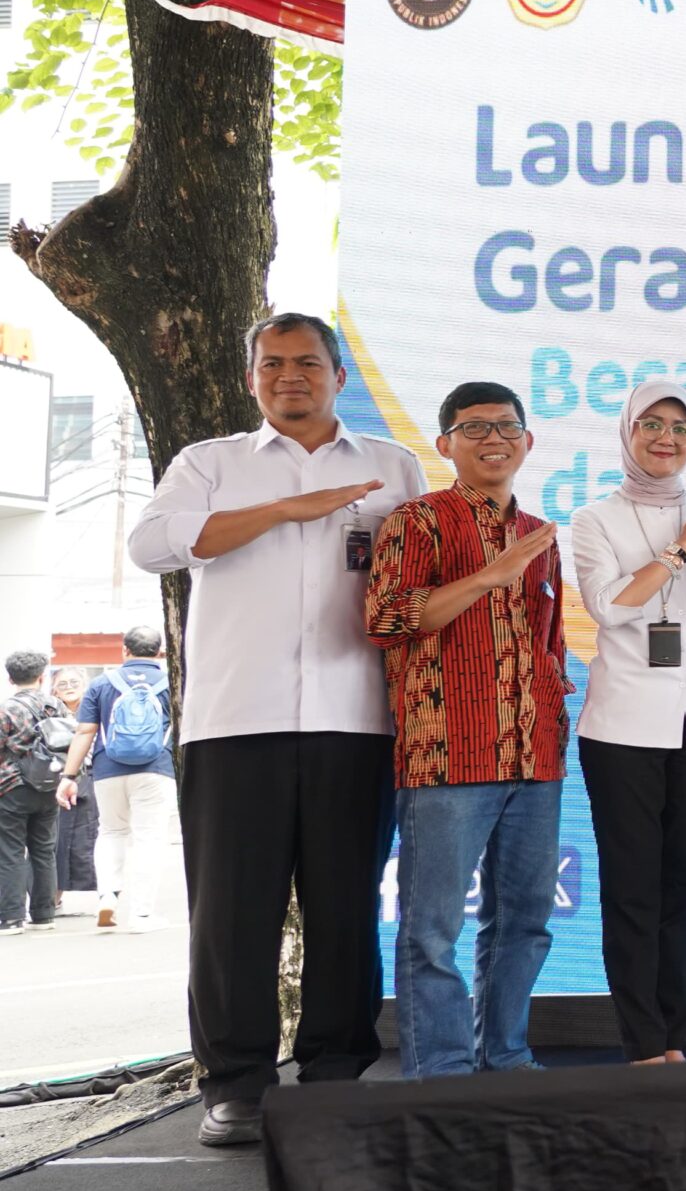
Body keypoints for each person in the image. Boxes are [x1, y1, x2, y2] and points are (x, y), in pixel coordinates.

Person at [130, 312, 426, 1146]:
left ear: (339, 375)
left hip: (356, 719)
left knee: (345, 907)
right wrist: (287, 509)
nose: (289, 376)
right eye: (272, 364)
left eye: (307, 362)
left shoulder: (392, 465)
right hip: (234, 721)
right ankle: (236, 1083)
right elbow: (151, 546)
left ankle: (335, 1074)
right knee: (232, 913)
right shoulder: (210, 463)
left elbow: (418, 575)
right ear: (251, 377)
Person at [364, 382, 570, 1079]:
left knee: (525, 923)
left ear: (527, 441)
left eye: (507, 427)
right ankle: (442, 1076)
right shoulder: (418, 520)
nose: (493, 440)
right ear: (445, 443)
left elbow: (548, 641)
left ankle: (505, 1059)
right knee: (433, 931)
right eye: (474, 428)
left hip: (534, 757)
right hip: (447, 754)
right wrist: (489, 576)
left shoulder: (539, 534)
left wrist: (551, 702)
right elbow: (385, 620)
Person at [569, 380, 686, 1065]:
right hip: (623, 728)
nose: (665, 438)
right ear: (627, 432)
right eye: (650, 424)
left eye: (680, 428)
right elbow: (611, 606)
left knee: (683, 890)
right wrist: (680, 548)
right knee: (632, 892)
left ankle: (675, 1036)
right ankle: (643, 1042)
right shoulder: (595, 519)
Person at [59, 632, 179, 933]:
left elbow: (85, 732)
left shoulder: (102, 683)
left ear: (125, 650)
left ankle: (108, 897)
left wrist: (68, 777)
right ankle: (141, 914)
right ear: (159, 652)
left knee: (111, 831)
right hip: (155, 769)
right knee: (148, 838)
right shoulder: (172, 682)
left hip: (108, 769)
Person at [0, 650, 68, 936]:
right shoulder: (57, 706)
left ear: (9, 678)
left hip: (12, 786)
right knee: (44, 850)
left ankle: (11, 918)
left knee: (10, 851)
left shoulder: (6, 709)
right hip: (50, 785)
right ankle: (43, 914)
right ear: (42, 677)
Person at [48, 666, 100, 920]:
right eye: (63, 683)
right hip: (57, 781)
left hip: (90, 777)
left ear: (84, 685)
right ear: (54, 690)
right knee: (57, 841)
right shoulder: (49, 711)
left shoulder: (94, 708)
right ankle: (53, 899)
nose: (69, 687)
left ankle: (106, 899)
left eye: (74, 682)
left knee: (91, 838)